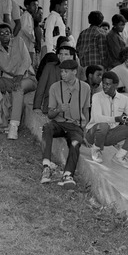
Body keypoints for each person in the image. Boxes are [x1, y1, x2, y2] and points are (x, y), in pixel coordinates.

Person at [40, 59, 91, 187]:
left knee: (75, 143)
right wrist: (58, 109)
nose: (62, 74)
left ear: (75, 72)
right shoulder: (55, 87)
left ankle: (68, 175)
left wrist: (85, 132)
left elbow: (86, 110)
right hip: (59, 123)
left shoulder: (85, 88)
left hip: (75, 126)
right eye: (61, 71)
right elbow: (50, 114)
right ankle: (46, 166)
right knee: (47, 127)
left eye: (66, 72)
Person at [86, 70, 128, 168]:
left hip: (110, 136)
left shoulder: (123, 99)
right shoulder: (96, 97)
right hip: (93, 134)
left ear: (116, 85)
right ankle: (95, 149)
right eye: (103, 83)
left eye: (108, 84)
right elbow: (97, 118)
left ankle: (120, 156)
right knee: (103, 125)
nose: (104, 86)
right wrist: (117, 119)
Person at [33, 44, 77, 113]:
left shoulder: (77, 70)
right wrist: (37, 107)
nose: (62, 57)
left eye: (66, 54)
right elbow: (41, 87)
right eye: (60, 54)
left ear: (71, 56)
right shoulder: (50, 67)